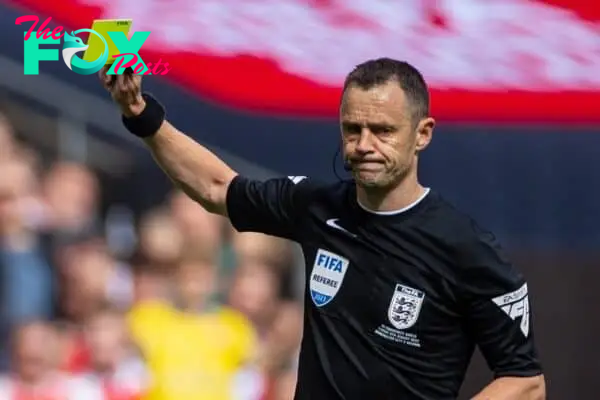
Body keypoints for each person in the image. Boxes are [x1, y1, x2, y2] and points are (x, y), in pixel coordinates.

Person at [100, 58, 545, 399]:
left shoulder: (466, 248)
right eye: (353, 129)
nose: (365, 144)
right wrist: (140, 113)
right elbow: (217, 187)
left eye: (383, 131)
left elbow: (525, 382)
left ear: (422, 134)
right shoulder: (317, 207)